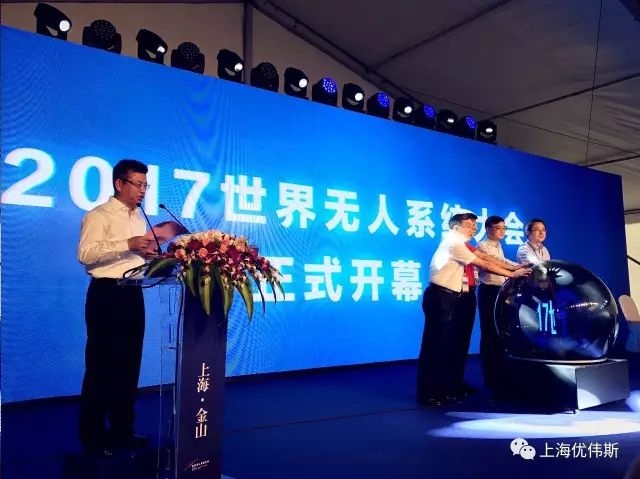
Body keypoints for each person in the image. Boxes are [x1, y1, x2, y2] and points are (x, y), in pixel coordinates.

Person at [77, 159, 153, 456]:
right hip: (107, 294)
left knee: (129, 365)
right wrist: (128, 244)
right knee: (101, 366)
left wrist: (150, 255)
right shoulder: (98, 215)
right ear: (119, 183)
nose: (143, 190)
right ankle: (93, 437)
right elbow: (85, 254)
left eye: (146, 185)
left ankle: (122, 430)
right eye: (138, 184)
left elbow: (134, 256)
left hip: (133, 293)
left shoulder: (139, 217)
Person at [416, 212, 530, 407]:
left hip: (458, 297)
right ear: (455, 227)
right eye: (469, 226)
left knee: (456, 345)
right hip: (442, 297)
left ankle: (451, 386)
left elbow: (484, 257)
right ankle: (429, 392)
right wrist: (513, 275)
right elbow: (483, 264)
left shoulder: (464, 244)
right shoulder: (453, 243)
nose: (473, 229)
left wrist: (513, 268)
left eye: (474, 226)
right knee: (436, 346)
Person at [476, 215, 524, 392]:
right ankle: (490, 375)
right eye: (498, 228)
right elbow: (494, 264)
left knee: (500, 332)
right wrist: (514, 270)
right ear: (488, 229)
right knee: (489, 332)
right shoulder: (482, 246)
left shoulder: (498, 246)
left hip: (500, 291)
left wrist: (519, 266)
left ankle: (500, 372)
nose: (502, 231)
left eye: (504, 228)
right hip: (489, 291)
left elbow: (504, 262)